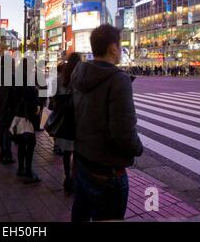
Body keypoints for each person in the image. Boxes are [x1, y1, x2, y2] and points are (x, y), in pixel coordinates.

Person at [70, 24, 143, 222]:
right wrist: (137, 148)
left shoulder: (79, 73)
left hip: (82, 161)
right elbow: (123, 131)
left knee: (80, 214)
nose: (120, 51)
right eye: (119, 46)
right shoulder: (118, 79)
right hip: (107, 171)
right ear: (112, 48)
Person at [50, 53, 81, 194]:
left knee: (66, 153)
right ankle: (74, 180)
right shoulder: (80, 80)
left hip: (64, 121)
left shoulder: (58, 79)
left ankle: (67, 179)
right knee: (78, 154)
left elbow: (53, 99)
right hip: (78, 121)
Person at [13, 58, 42, 184]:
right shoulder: (28, 83)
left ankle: (21, 168)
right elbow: (33, 102)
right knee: (30, 144)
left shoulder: (16, 80)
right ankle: (29, 173)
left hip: (18, 117)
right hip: (28, 118)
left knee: (21, 143)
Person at [0, 55, 16, 164]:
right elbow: (15, 93)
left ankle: (2, 152)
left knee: (2, 129)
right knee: (8, 131)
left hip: (0, 105)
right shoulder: (11, 75)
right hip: (9, 106)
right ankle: (7, 154)